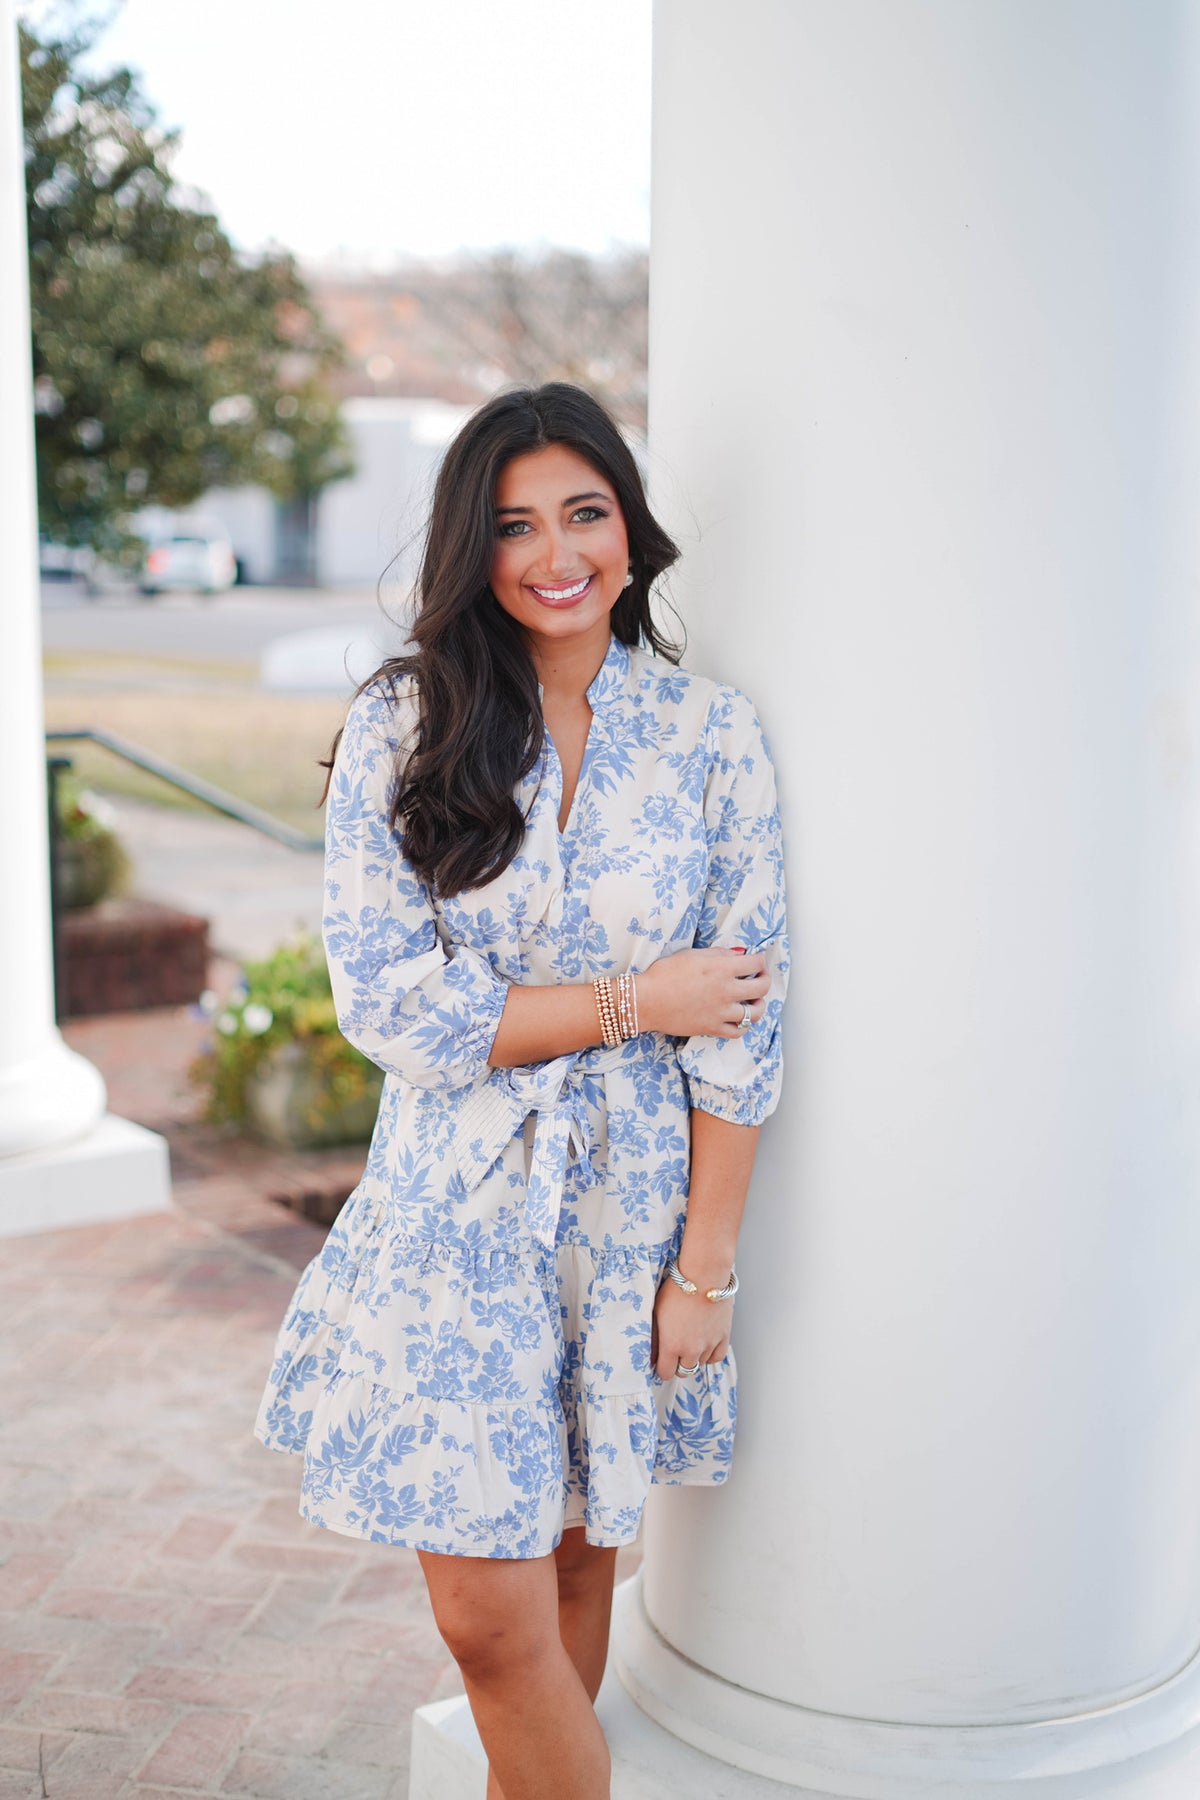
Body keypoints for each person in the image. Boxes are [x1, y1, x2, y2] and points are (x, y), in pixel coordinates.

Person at [255, 382, 789, 1799]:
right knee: (487, 1620)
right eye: (513, 524)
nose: (557, 553)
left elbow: (741, 1028)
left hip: (630, 1213)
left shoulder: (708, 738)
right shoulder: (406, 722)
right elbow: (396, 1005)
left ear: (630, 526)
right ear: (468, 550)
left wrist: (706, 1273)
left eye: (585, 512)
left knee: (569, 1564)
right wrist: (634, 1002)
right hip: (453, 1208)